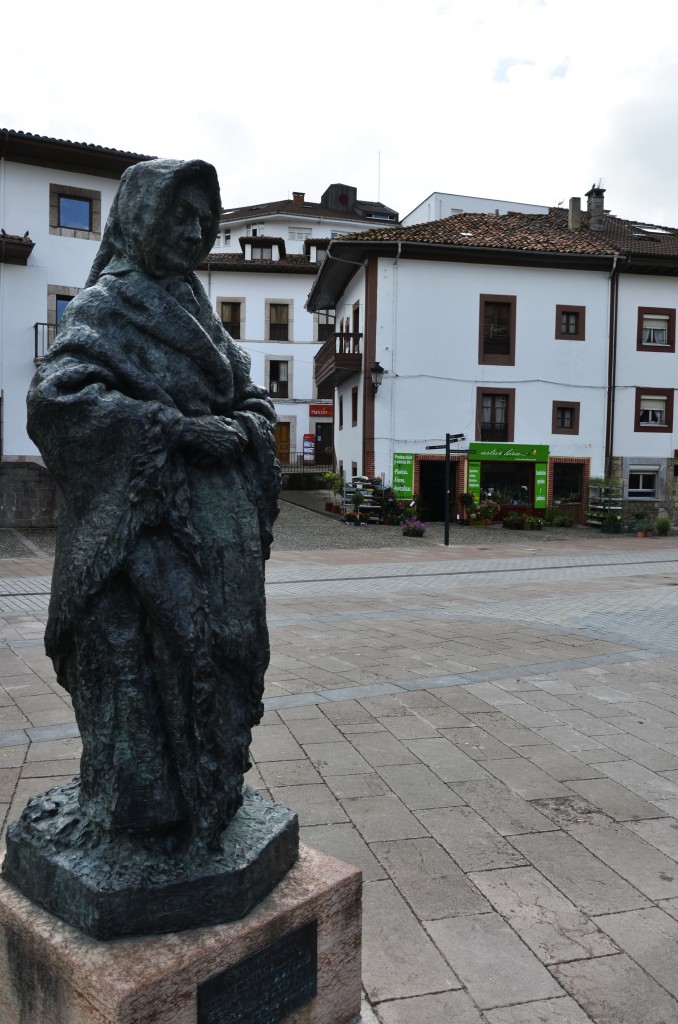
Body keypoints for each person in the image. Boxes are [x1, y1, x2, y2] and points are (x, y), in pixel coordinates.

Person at [27, 159, 280, 851]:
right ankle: (140, 816)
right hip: (139, 531)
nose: (194, 233)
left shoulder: (200, 311)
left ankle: (210, 797)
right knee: (139, 670)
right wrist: (177, 429)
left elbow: (251, 396)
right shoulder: (104, 306)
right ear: (141, 219)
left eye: (204, 220)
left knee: (222, 658)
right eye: (179, 217)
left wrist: (245, 427)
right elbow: (57, 401)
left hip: (216, 539)